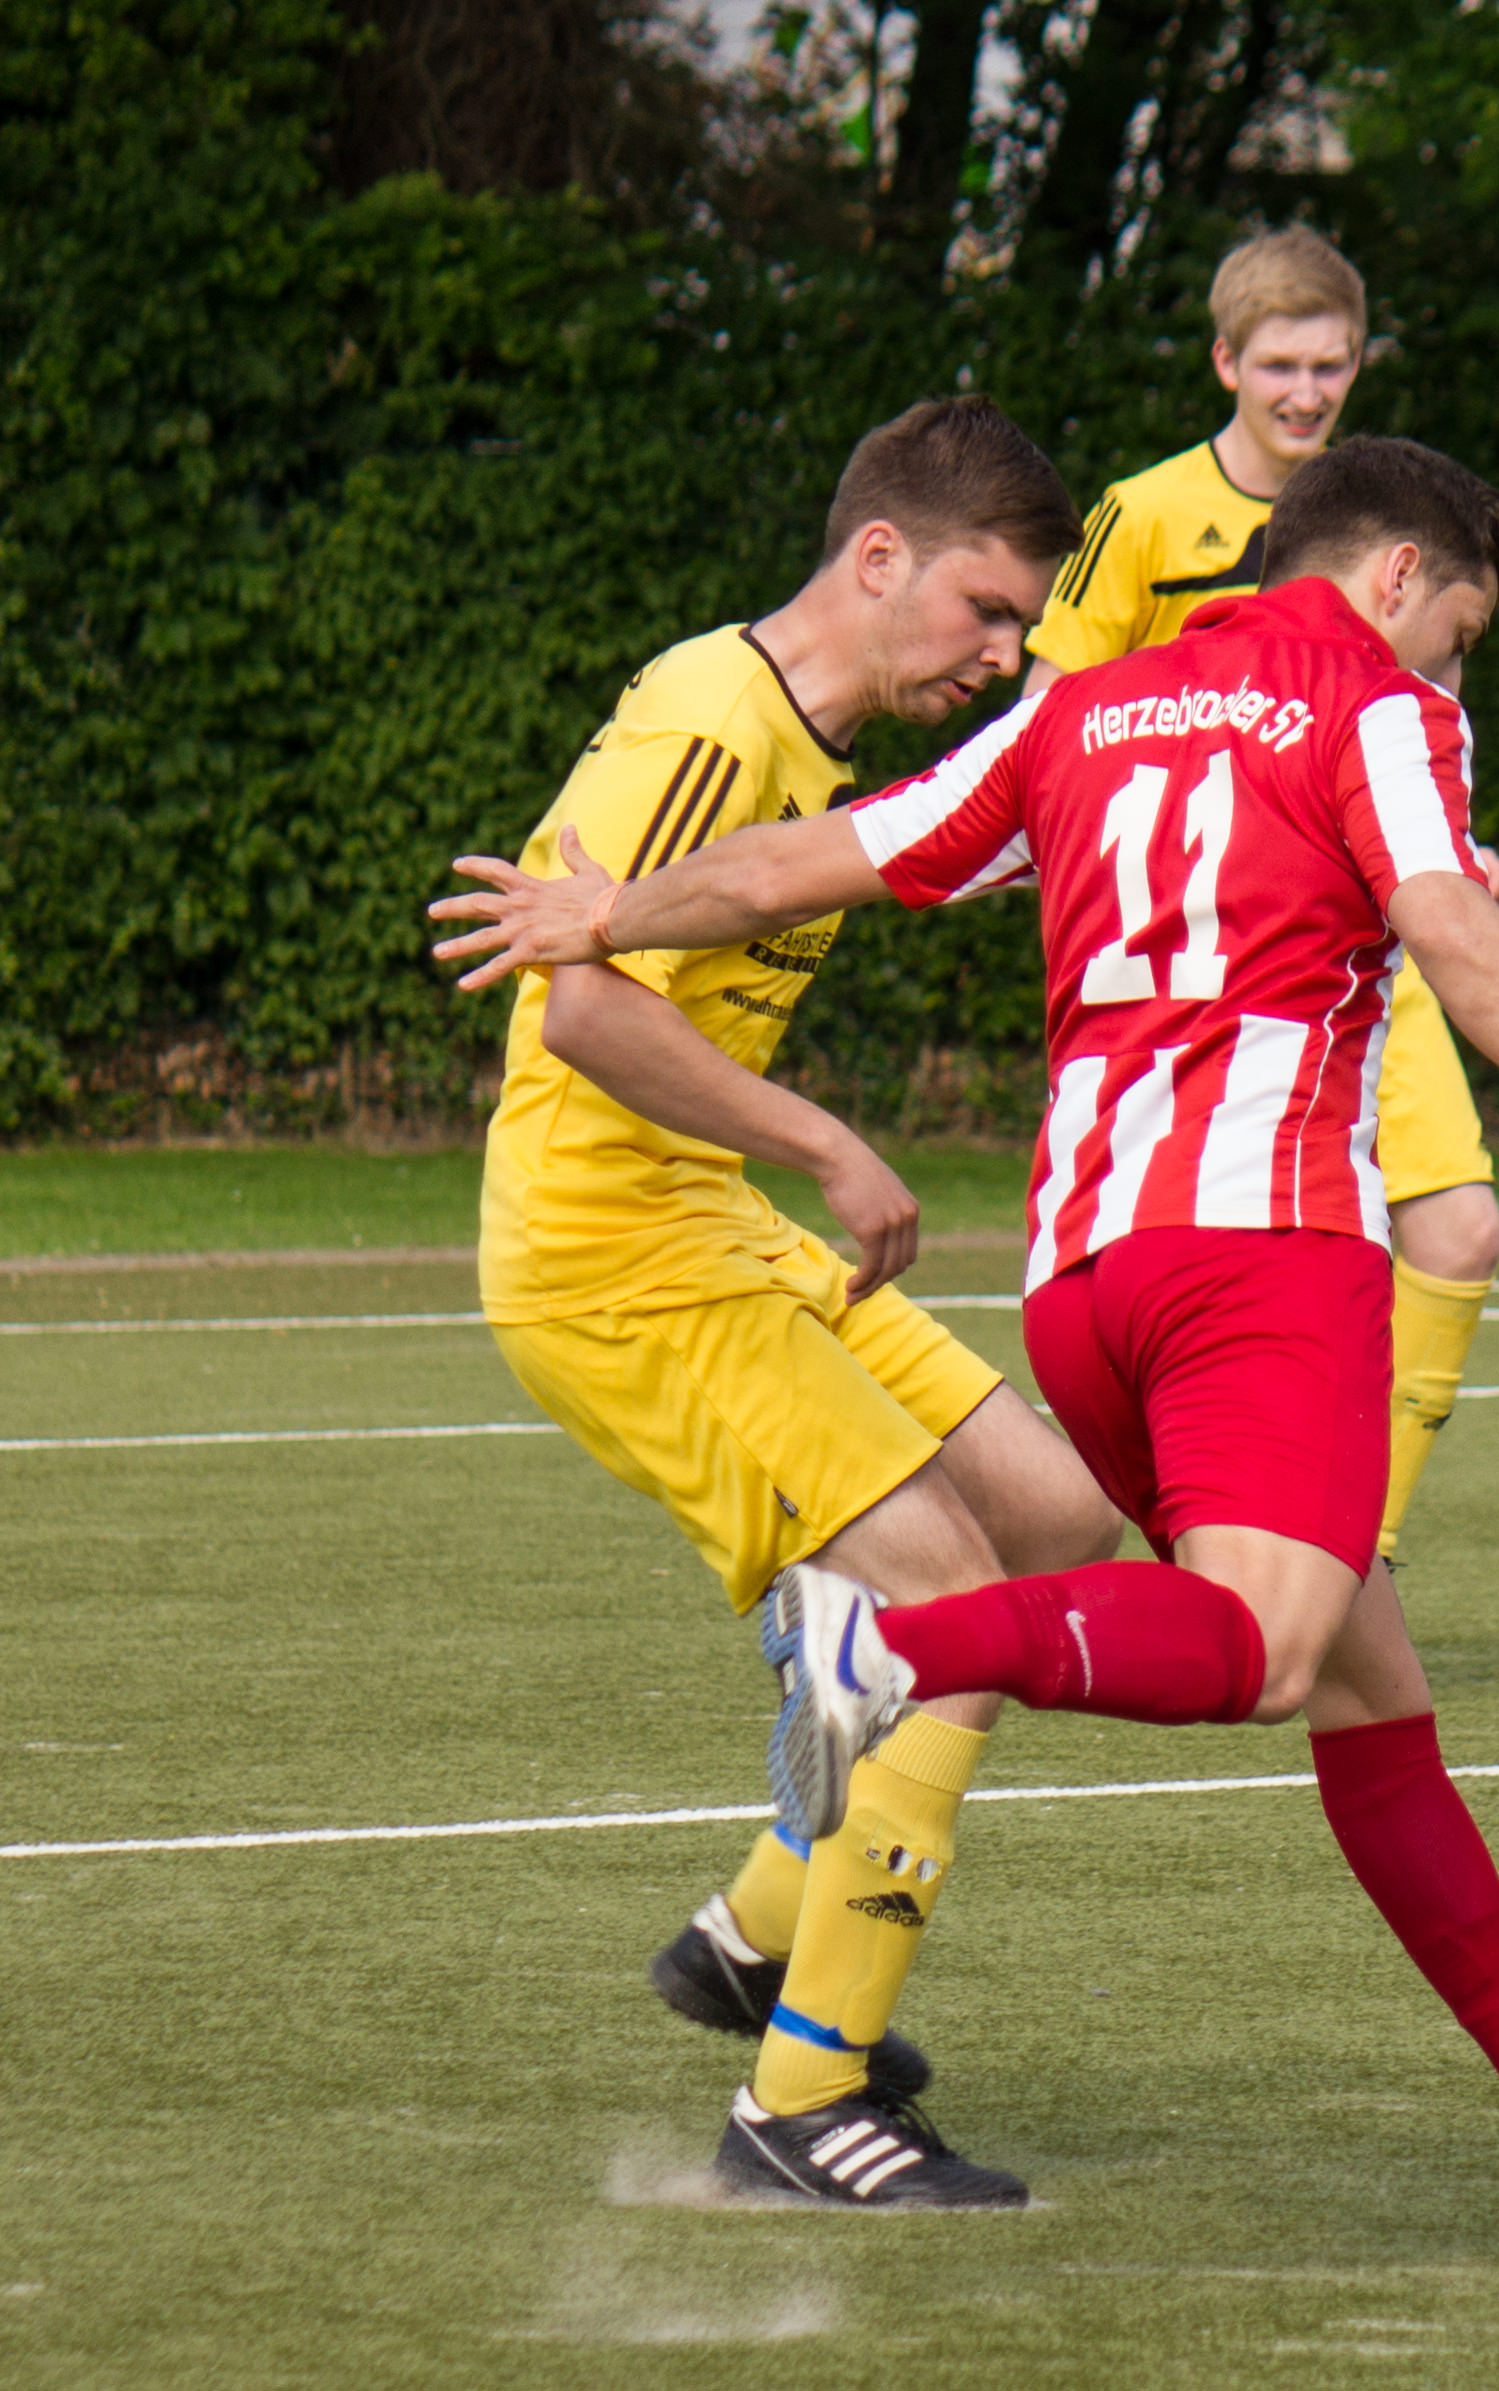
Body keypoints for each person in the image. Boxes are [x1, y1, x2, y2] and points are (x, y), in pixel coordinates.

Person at [434, 433, 1499, 2214]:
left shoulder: (1088, 715)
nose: (1454, 675)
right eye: (1459, 635)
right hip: (1252, 1252)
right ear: (1391, 580)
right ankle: (821, 2004)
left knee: (1298, 1640)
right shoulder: (1377, 706)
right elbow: (1444, 923)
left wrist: (605, 908)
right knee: (1246, 1647)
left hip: (1082, 1279)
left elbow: (810, 863)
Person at [447, 396, 1125, 2206]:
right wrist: (828, 1141)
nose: (1001, 654)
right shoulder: (709, 721)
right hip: (614, 1262)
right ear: (879, 556)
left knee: (1063, 1524)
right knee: (952, 1607)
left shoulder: (820, 751)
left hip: (712, 1229)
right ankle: (802, 2107)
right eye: (986, 610)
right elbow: (580, 1005)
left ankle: (757, 1936)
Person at [1023, 225, 1499, 1572]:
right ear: (1225, 363)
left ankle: (1358, 1556)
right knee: (1194, 1268)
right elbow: (1049, 714)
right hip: (1206, 956)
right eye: (1281, 366)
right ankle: (1241, 1564)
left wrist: (1457, 854)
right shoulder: (1142, 516)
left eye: (1330, 365)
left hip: (1366, 937)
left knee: (1462, 1228)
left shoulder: (1397, 524)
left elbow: (1423, 716)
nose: (1306, 392)